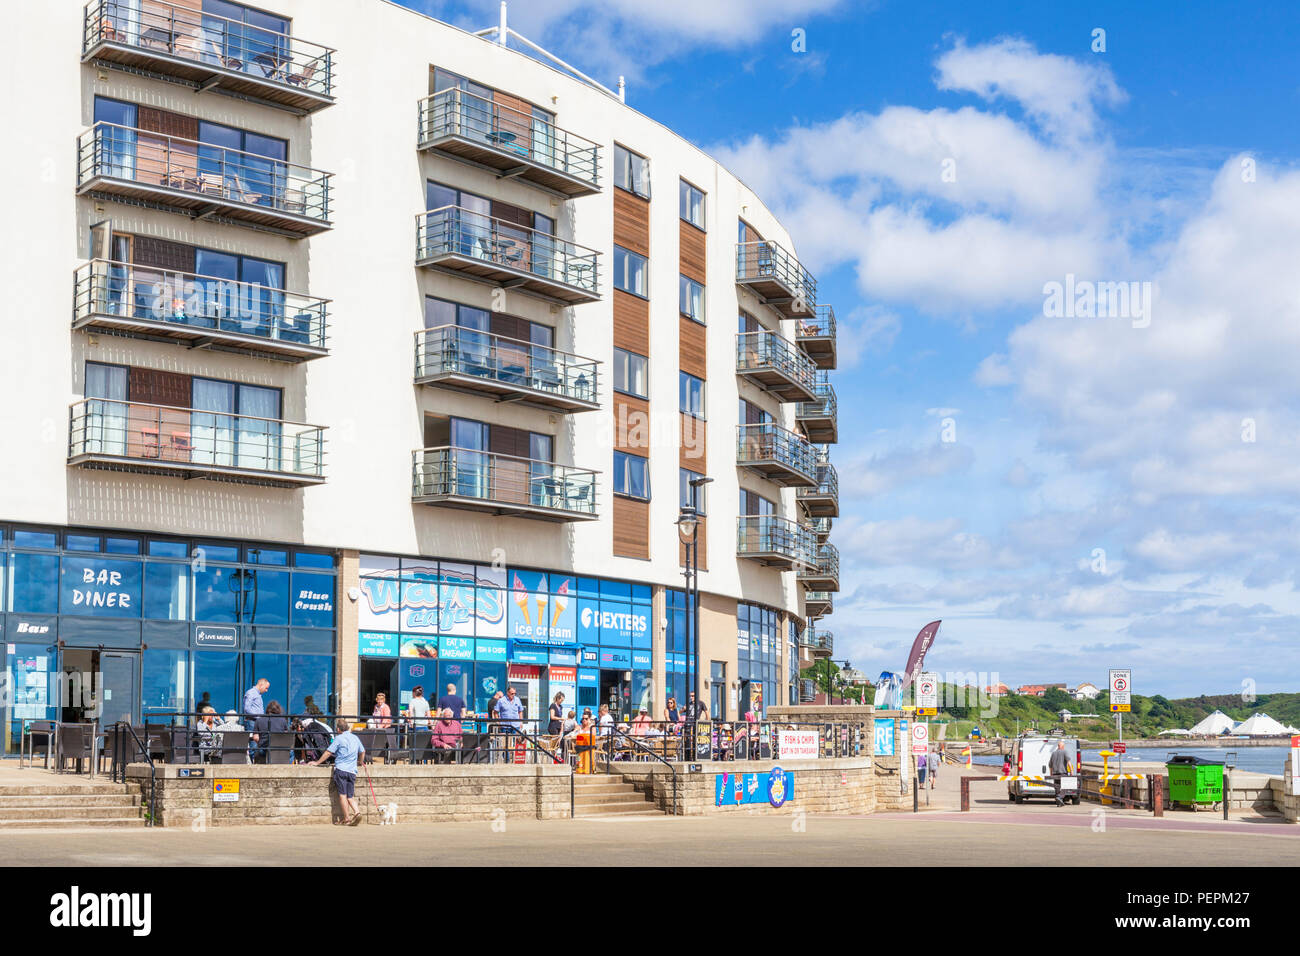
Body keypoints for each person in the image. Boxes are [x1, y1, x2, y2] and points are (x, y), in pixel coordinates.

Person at [305, 719, 366, 826]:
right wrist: (360, 762)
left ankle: (346, 819)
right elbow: (363, 751)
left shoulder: (339, 738)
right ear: (347, 728)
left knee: (342, 795)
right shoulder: (355, 738)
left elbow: (328, 752)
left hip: (341, 770)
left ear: (338, 729)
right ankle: (357, 812)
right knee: (350, 796)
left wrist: (317, 762)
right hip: (352, 771)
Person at [1048, 740, 1072, 807]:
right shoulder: (1064, 751)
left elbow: (1050, 765)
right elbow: (1068, 761)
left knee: (1057, 787)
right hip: (1063, 773)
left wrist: (1051, 773)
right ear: (1062, 746)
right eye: (1063, 746)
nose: (1064, 747)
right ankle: (1060, 797)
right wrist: (1071, 771)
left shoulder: (1053, 753)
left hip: (1055, 773)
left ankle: (1059, 803)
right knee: (1066, 786)